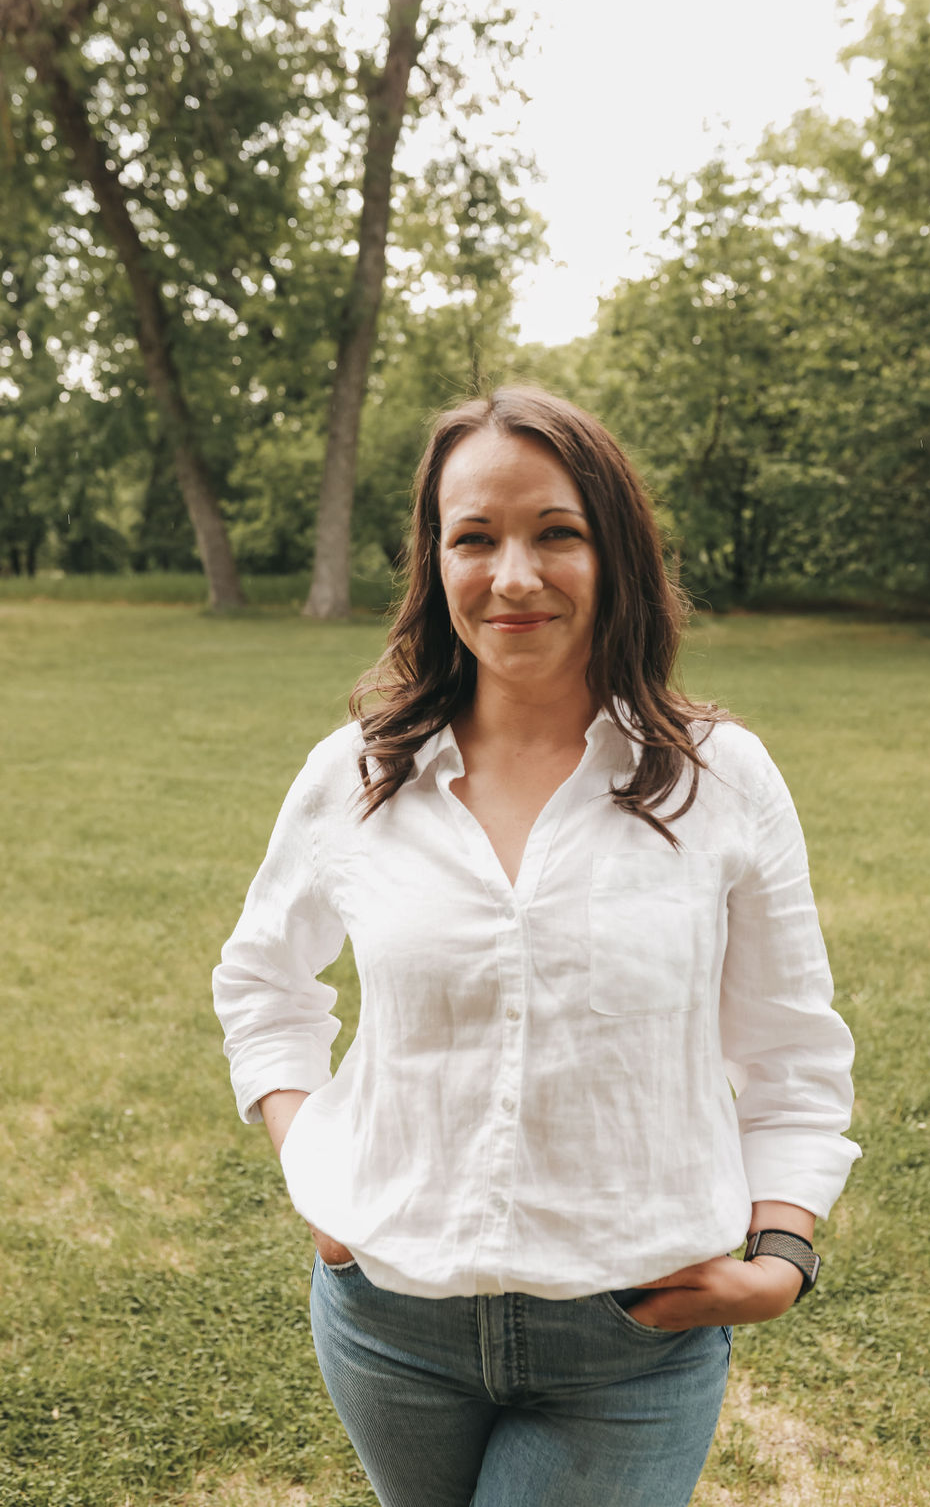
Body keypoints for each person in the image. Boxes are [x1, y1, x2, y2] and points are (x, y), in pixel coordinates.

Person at [213, 387, 860, 1507]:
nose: (513, 575)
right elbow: (264, 978)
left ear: (614, 551)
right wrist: (311, 1160)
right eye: (475, 537)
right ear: (436, 560)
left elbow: (793, 1047)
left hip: (632, 1334)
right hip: (387, 1322)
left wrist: (782, 1253)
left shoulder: (722, 778)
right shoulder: (355, 774)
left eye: (555, 532)